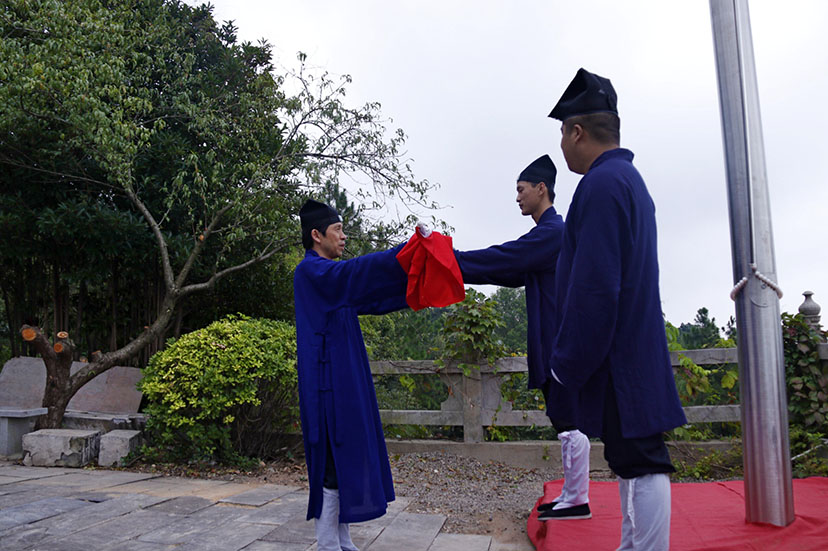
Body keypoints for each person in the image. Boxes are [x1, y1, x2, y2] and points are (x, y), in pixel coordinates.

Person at [547, 68, 687, 549]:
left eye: (562, 134)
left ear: (577, 132)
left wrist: (568, 363)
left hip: (619, 352)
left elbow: (595, 288)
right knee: (630, 457)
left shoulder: (602, 184)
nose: (562, 145)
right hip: (633, 344)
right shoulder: (628, 180)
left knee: (642, 459)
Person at [454, 155, 591, 520]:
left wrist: (452, 259)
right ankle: (573, 495)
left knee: (567, 418)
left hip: (560, 343)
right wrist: (456, 268)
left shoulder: (552, 232)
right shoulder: (548, 235)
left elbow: (506, 257)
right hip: (553, 341)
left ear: (541, 188)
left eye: (521, 189)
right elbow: (507, 270)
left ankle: (577, 499)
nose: (517, 197)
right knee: (562, 418)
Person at [293, 199, 410, 551]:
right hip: (326, 385)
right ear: (317, 235)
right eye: (338, 230)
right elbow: (354, 274)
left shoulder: (332, 277)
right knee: (331, 461)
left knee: (345, 458)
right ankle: (327, 543)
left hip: (345, 381)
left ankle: (342, 540)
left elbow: (373, 297)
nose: (344, 236)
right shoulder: (311, 272)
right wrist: (401, 253)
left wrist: (414, 288)